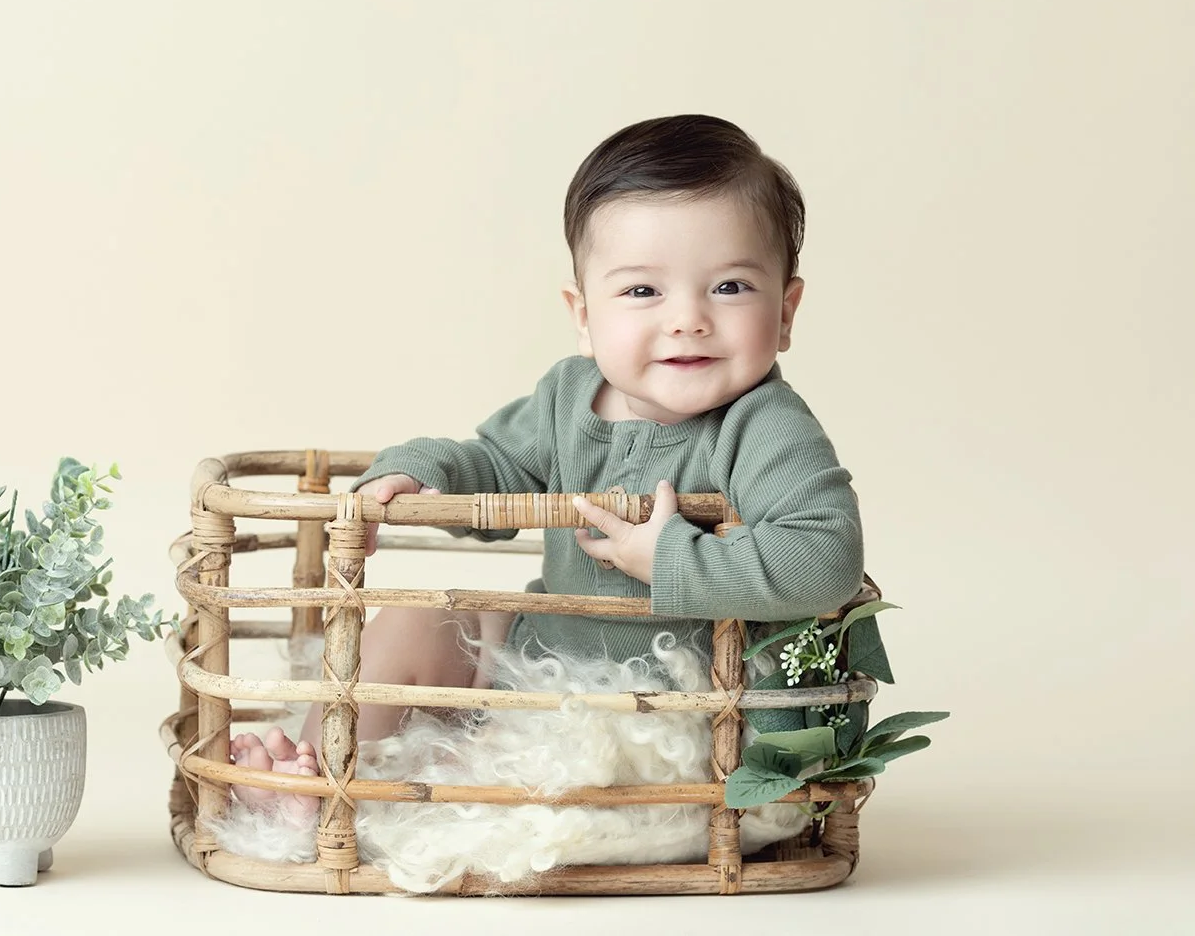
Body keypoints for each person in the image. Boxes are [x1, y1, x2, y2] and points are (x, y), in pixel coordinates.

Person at [230, 114, 865, 818]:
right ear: (584, 316)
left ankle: (425, 791)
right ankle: (316, 774)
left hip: (678, 709)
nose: (687, 318)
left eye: (730, 288)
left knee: (532, 771)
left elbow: (824, 555)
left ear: (785, 311)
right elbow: (496, 464)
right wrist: (420, 470)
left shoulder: (766, 426)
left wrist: (672, 558)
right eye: (642, 292)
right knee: (416, 624)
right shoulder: (569, 395)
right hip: (541, 668)